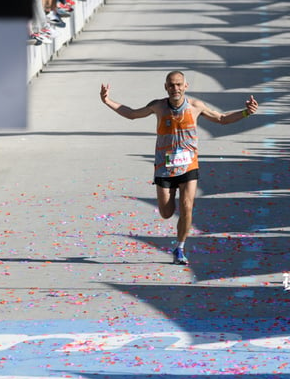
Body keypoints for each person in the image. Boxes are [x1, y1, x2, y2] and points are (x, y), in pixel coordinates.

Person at [100, 72, 258, 265]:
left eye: (179, 85)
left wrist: (246, 112)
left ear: (186, 86)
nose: (175, 88)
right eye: (171, 85)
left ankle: (180, 248)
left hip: (189, 165)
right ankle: (173, 201)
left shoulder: (195, 107)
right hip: (164, 167)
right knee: (166, 212)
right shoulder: (158, 106)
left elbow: (222, 118)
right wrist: (107, 101)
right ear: (166, 87)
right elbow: (132, 114)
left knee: (187, 206)